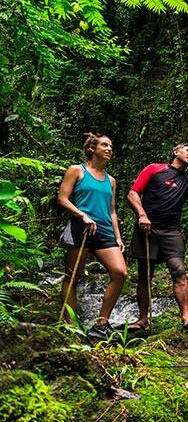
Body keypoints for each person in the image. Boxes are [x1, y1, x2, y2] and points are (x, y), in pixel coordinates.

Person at [127, 132, 188, 331]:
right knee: (144, 275)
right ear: (175, 152)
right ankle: (142, 320)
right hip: (147, 229)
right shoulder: (155, 169)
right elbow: (133, 193)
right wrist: (141, 215)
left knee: (179, 272)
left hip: (171, 232)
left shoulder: (187, 182)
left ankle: (186, 318)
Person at [57, 133, 128, 340]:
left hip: (104, 230)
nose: (109, 149)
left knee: (120, 273)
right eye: (104, 145)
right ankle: (70, 325)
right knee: (73, 277)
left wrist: (118, 237)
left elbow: (112, 210)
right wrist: (82, 215)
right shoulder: (77, 171)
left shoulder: (111, 180)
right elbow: (62, 198)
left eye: (111, 146)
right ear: (92, 149)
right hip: (81, 227)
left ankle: (101, 323)